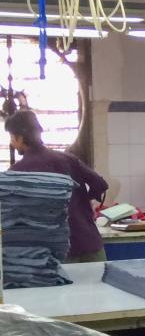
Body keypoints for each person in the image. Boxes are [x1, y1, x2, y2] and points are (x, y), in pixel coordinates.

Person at [4, 109, 108, 262]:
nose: (12, 143)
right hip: (90, 245)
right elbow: (100, 184)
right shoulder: (67, 159)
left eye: (12, 137)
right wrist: (82, 201)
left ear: (18, 137)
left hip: (57, 253)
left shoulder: (17, 172)